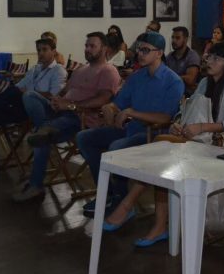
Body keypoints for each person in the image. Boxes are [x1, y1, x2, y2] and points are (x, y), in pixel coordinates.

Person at [102, 41, 224, 245]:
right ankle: (152, 221)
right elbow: (190, 113)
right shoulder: (205, 83)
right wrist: (179, 124)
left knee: (160, 154)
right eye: (210, 57)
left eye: (216, 58)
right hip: (197, 144)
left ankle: (133, 210)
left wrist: (201, 127)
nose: (210, 61)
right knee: (160, 156)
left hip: (218, 150)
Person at [77, 31, 184, 217]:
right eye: (139, 49)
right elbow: (118, 103)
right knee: (84, 137)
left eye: (145, 50)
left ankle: (121, 200)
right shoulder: (137, 77)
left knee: (116, 147)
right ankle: (109, 193)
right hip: (131, 129)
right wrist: (110, 108)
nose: (139, 54)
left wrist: (131, 112)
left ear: (159, 53)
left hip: (156, 136)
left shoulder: (173, 81)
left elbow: (165, 118)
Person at [12, 32, 120, 201]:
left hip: (81, 118)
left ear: (104, 48)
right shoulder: (81, 69)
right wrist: (57, 100)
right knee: (30, 95)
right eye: (86, 45)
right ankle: (44, 128)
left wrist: (71, 105)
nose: (87, 49)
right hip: (61, 112)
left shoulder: (108, 70)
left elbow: (103, 99)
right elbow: (64, 91)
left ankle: (36, 183)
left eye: (92, 46)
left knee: (42, 136)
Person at [0, 37, 67, 179]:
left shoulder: (59, 71)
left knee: (14, 92)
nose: (41, 53)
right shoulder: (35, 69)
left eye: (45, 50)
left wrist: (29, 92)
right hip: (21, 108)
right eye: (39, 50)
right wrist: (21, 91)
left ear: (54, 51)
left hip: (42, 110)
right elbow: (19, 87)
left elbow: (54, 96)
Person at [165, 26, 202, 94]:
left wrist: (170, 78)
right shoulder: (169, 56)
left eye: (177, 38)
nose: (173, 40)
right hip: (171, 92)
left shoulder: (192, 56)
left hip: (187, 95)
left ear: (185, 39)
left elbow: (190, 80)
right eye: (173, 37)